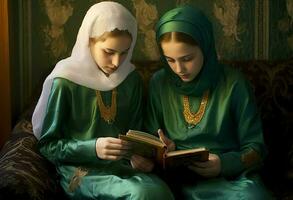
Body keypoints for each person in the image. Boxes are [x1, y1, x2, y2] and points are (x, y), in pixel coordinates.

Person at [32, 2, 174, 199]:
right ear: (88, 42)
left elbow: (135, 133)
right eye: (109, 52)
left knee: (161, 191)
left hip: (124, 167)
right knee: (141, 194)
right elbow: (48, 146)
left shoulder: (130, 79)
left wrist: (138, 155)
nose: (117, 62)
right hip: (82, 170)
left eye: (124, 53)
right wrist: (93, 147)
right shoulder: (65, 81)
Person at [145, 5, 273, 199]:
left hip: (231, 181)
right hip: (176, 180)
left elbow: (256, 149)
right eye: (170, 60)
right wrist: (163, 150)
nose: (179, 69)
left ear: (205, 47)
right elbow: (149, 140)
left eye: (187, 58)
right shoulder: (160, 82)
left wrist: (223, 164)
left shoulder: (234, 83)